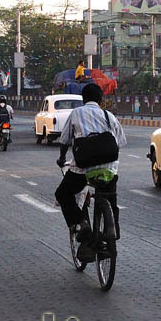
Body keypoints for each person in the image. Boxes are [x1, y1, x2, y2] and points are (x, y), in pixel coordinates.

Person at [54, 83, 126, 263]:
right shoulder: (109, 116)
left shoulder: (76, 113)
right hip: (108, 169)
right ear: (102, 100)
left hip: (82, 170)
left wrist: (62, 158)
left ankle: (81, 224)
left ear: (83, 99)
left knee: (63, 193)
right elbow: (120, 142)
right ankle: (112, 230)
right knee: (110, 197)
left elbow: (65, 141)